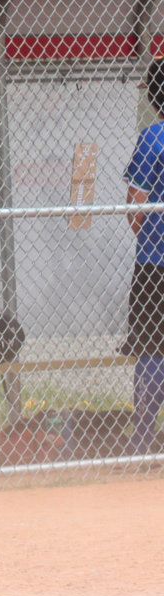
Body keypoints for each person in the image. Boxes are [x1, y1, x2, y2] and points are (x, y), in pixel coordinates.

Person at [120, 60, 164, 455]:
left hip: (154, 261)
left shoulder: (152, 137)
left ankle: (144, 437)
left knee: (152, 345)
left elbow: (136, 206)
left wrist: (148, 237)